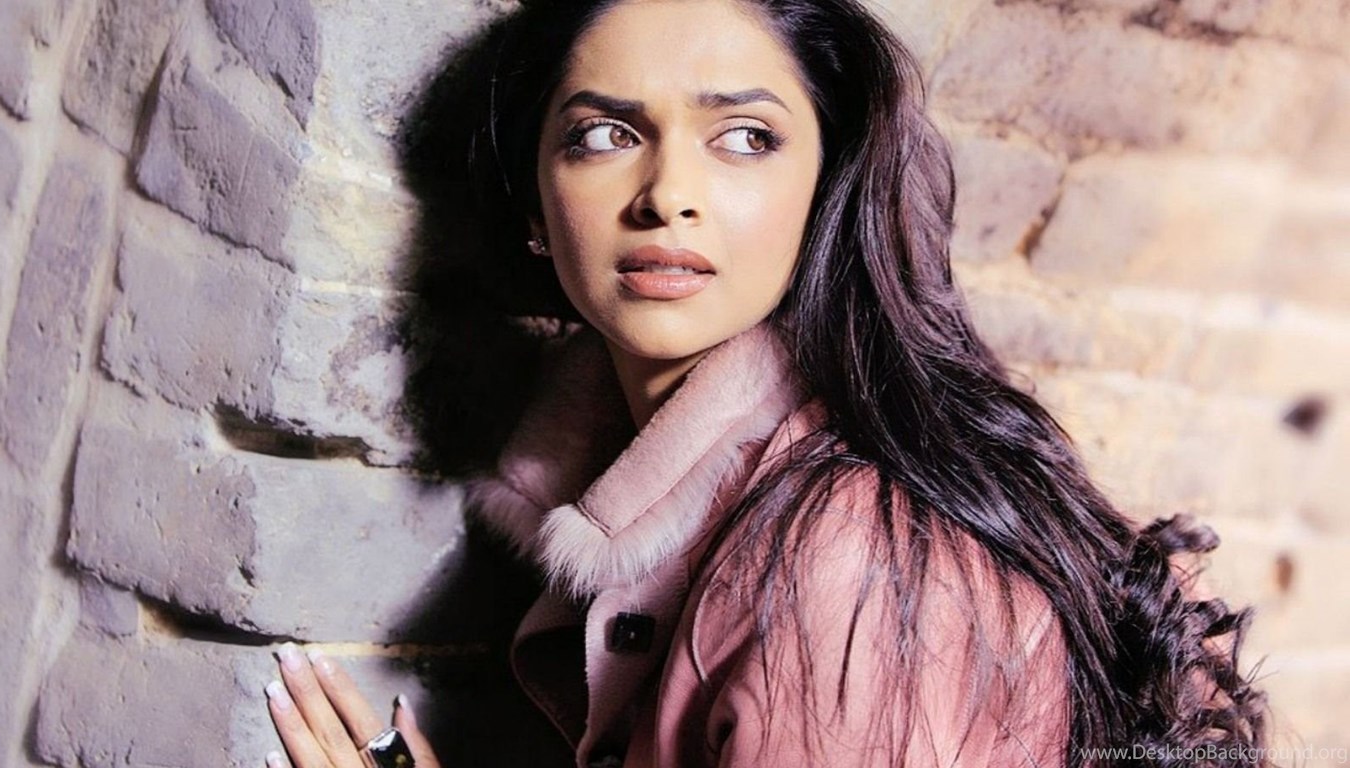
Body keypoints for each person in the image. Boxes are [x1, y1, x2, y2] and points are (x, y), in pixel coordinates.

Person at [262, 0, 1272, 766]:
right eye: (604, 134)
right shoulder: (706, 509)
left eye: (745, 138)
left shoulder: (846, 555)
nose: (667, 196)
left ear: (824, 193)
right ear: (536, 207)